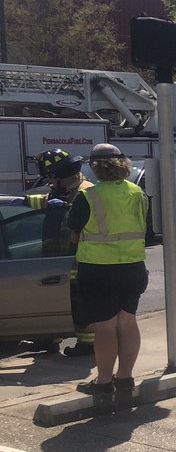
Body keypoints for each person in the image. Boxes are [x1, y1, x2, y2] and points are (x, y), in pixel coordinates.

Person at [67, 143, 149, 397]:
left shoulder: (88, 196)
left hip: (99, 269)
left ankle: (103, 382)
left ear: (94, 167)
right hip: (133, 268)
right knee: (127, 321)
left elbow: (74, 234)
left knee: (105, 327)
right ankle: (125, 378)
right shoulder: (137, 192)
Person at [17, 150, 96, 357]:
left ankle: (87, 344)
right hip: (57, 254)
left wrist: (66, 207)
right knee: (52, 299)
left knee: (78, 302)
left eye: (51, 178)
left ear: (60, 174)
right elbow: (49, 200)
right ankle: (48, 339)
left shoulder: (85, 191)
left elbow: (79, 217)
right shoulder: (64, 190)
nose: (50, 183)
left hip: (75, 257)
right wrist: (23, 201)